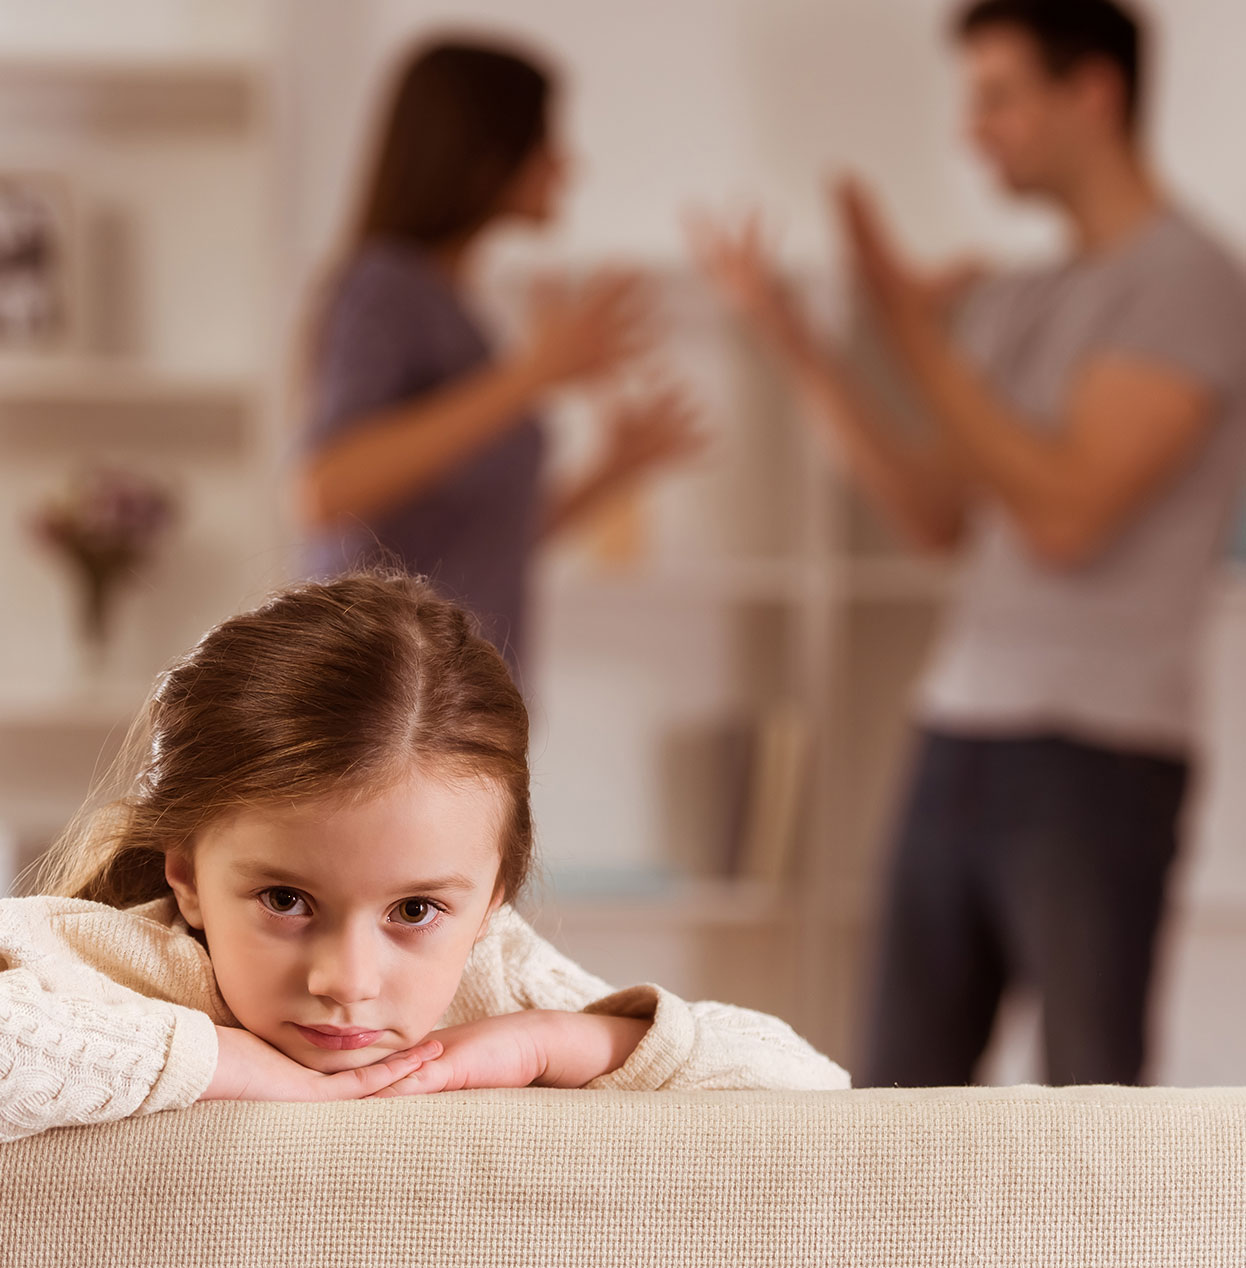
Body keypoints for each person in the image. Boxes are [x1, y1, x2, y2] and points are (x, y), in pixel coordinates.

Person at [690, 0, 1246, 1086]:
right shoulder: (1017, 297)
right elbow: (932, 510)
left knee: (1089, 1104)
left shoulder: (1187, 281)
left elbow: (1066, 514)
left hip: (1099, 749)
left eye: (996, 97)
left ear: (1093, 91)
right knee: (899, 1094)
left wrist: (912, 330)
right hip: (956, 731)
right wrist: (792, 339)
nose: (970, 130)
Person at [0, 571, 848, 1143]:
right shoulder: (102, 959)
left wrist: (555, 1042)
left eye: (414, 912)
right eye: (286, 900)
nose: (349, 981)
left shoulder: (494, 981)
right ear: (183, 873)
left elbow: (811, 1090)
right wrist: (224, 1061)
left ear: (491, 904)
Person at [297, 37, 703, 678]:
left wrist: (611, 472)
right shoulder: (383, 288)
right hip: (384, 713)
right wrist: (534, 374)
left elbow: (480, 542)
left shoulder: (453, 309)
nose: (567, 167)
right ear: (485, 155)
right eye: (545, 142)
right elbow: (327, 489)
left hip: (447, 709)